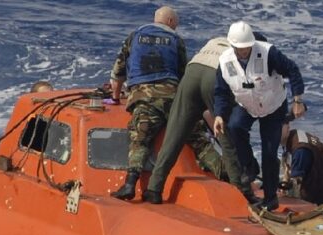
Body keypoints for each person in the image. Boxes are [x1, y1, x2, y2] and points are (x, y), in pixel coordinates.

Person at [143, 36, 254, 204]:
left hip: (192, 72)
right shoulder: (249, 53)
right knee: (227, 139)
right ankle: (240, 192)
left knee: (174, 136)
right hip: (216, 76)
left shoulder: (215, 41)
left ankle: (154, 189)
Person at [213, 21, 305, 211]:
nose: (243, 51)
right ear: (232, 45)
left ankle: (270, 198)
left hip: (273, 106)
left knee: (269, 152)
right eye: (239, 48)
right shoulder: (224, 62)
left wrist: (297, 100)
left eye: (247, 47)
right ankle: (250, 167)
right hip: (247, 105)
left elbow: (292, 70)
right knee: (235, 126)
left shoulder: (268, 53)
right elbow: (221, 92)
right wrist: (219, 115)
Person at [109, 6, 187, 201]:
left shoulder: (135, 36)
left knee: (140, 140)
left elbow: (118, 72)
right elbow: (184, 74)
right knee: (198, 139)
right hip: (172, 98)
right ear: (170, 22)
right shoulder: (176, 40)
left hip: (144, 98)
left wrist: (116, 97)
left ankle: (129, 184)